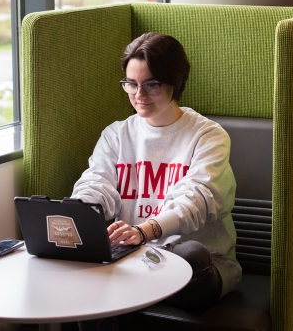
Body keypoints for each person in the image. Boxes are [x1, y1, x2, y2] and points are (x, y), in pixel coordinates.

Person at [72, 32, 242, 309]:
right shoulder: (116, 134)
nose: (139, 95)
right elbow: (97, 182)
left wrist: (144, 231)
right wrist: (80, 212)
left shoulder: (208, 136)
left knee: (191, 253)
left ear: (176, 83)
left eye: (151, 85)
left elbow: (196, 199)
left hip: (202, 265)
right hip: (137, 260)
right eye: (130, 84)